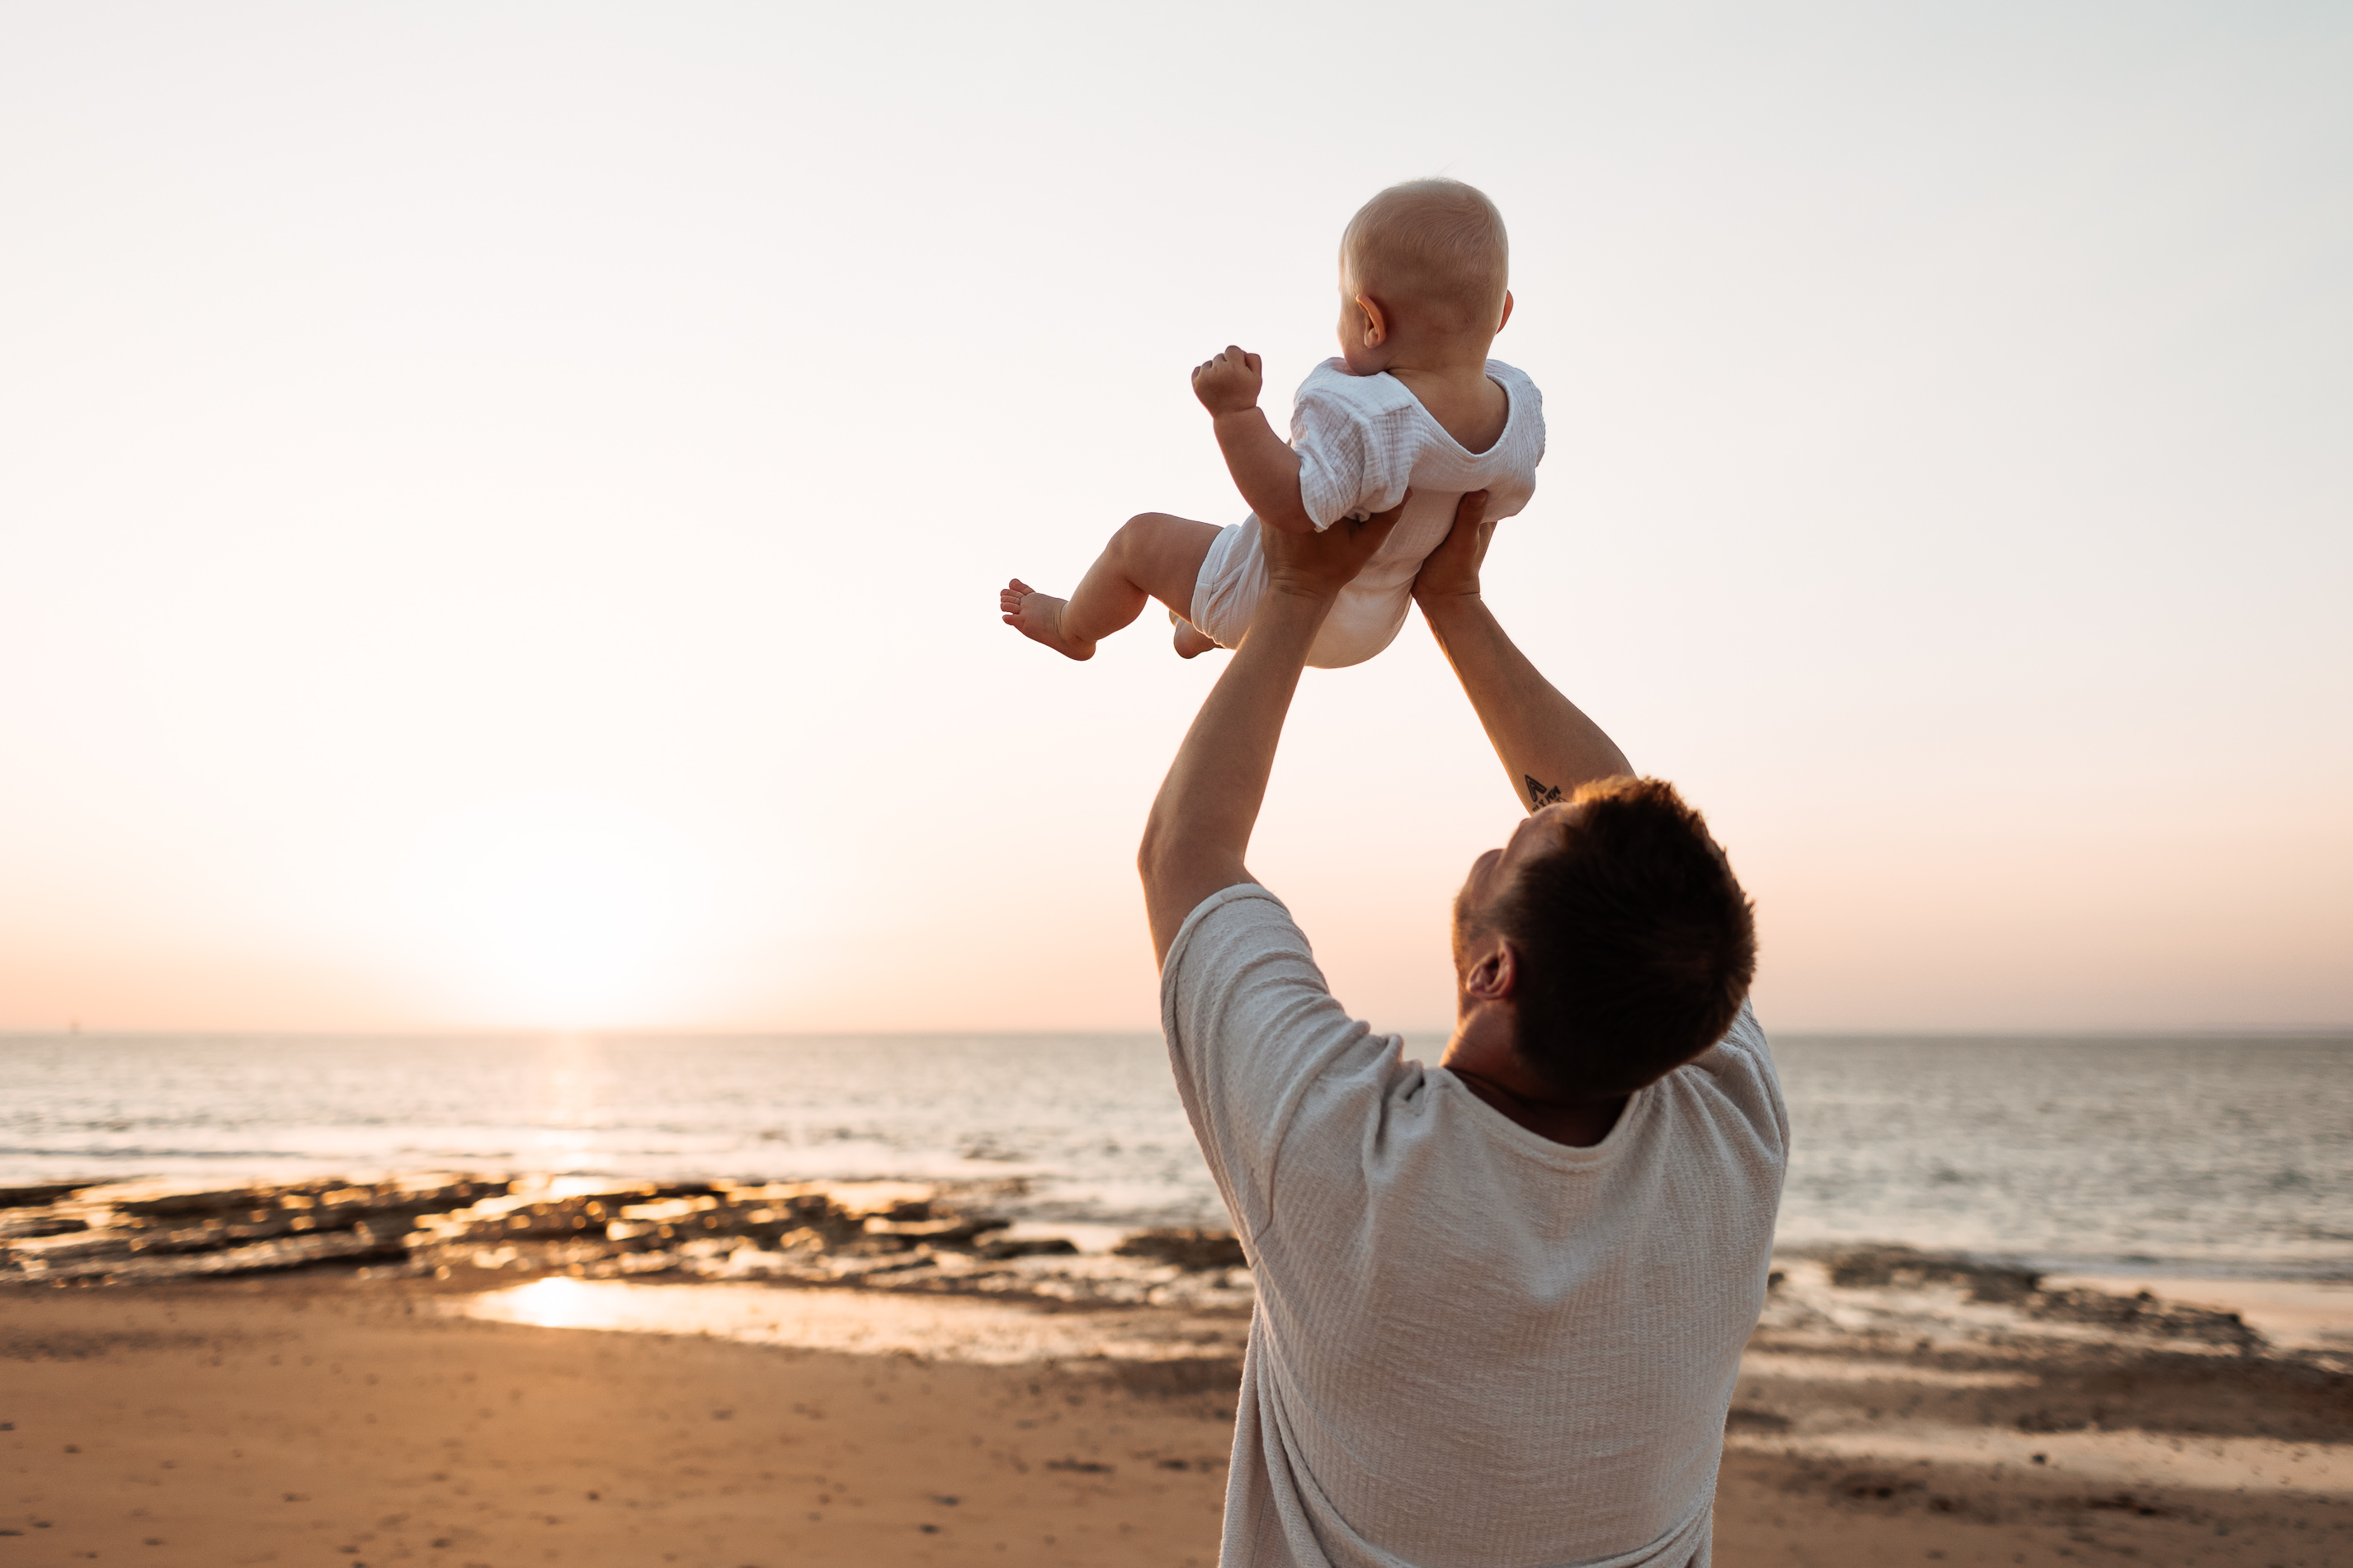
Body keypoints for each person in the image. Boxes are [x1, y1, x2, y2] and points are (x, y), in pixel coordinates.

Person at [1139, 490, 1785, 1567]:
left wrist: (1297, 593)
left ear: (1493, 970)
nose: (1518, 817)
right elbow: (1625, 854)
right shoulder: (1730, 1144)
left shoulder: (1347, 1158)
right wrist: (1455, 602)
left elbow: (1186, 854)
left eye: (1522, 847)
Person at [1001, 177, 1544, 670]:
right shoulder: (1515, 416)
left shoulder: (1369, 414)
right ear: (1501, 313)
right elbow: (1491, 513)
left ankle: (1073, 626)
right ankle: (1200, 629)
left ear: (1372, 322)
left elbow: (1288, 507)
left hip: (1277, 597)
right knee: (1216, 567)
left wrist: (1235, 415)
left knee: (1138, 542)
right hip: (1376, 623)